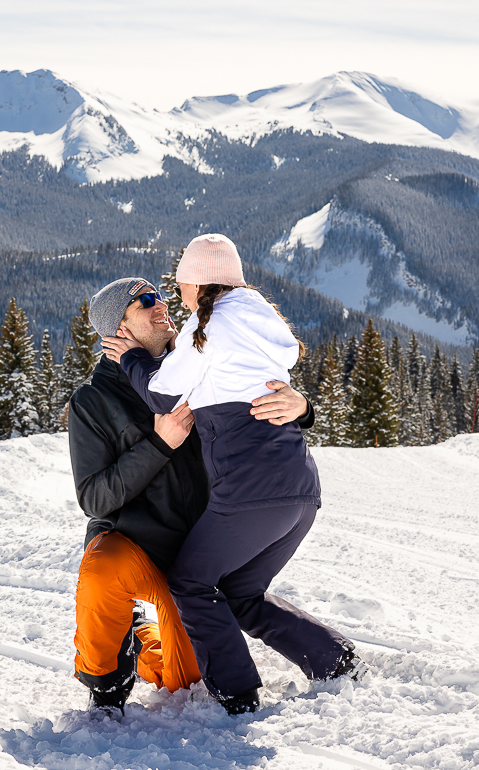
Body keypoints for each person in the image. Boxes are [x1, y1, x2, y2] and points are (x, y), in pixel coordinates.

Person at [111, 234, 364, 715]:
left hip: (250, 494)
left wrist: (130, 358)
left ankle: (236, 693)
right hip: (301, 492)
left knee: (189, 582)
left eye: (181, 283)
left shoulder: (208, 326)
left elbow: (164, 395)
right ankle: (335, 660)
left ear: (196, 282)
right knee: (240, 592)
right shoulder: (258, 318)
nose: (177, 294)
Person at [68, 276, 313, 719]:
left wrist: (302, 406)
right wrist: (159, 444)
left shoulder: (197, 362)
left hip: (193, 556)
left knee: (186, 680)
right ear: (117, 330)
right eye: (144, 302)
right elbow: (94, 497)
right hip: (135, 546)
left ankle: (142, 635)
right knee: (102, 570)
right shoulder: (94, 400)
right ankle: (104, 679)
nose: (160, 304)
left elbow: (255, 400)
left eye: (159, 296)